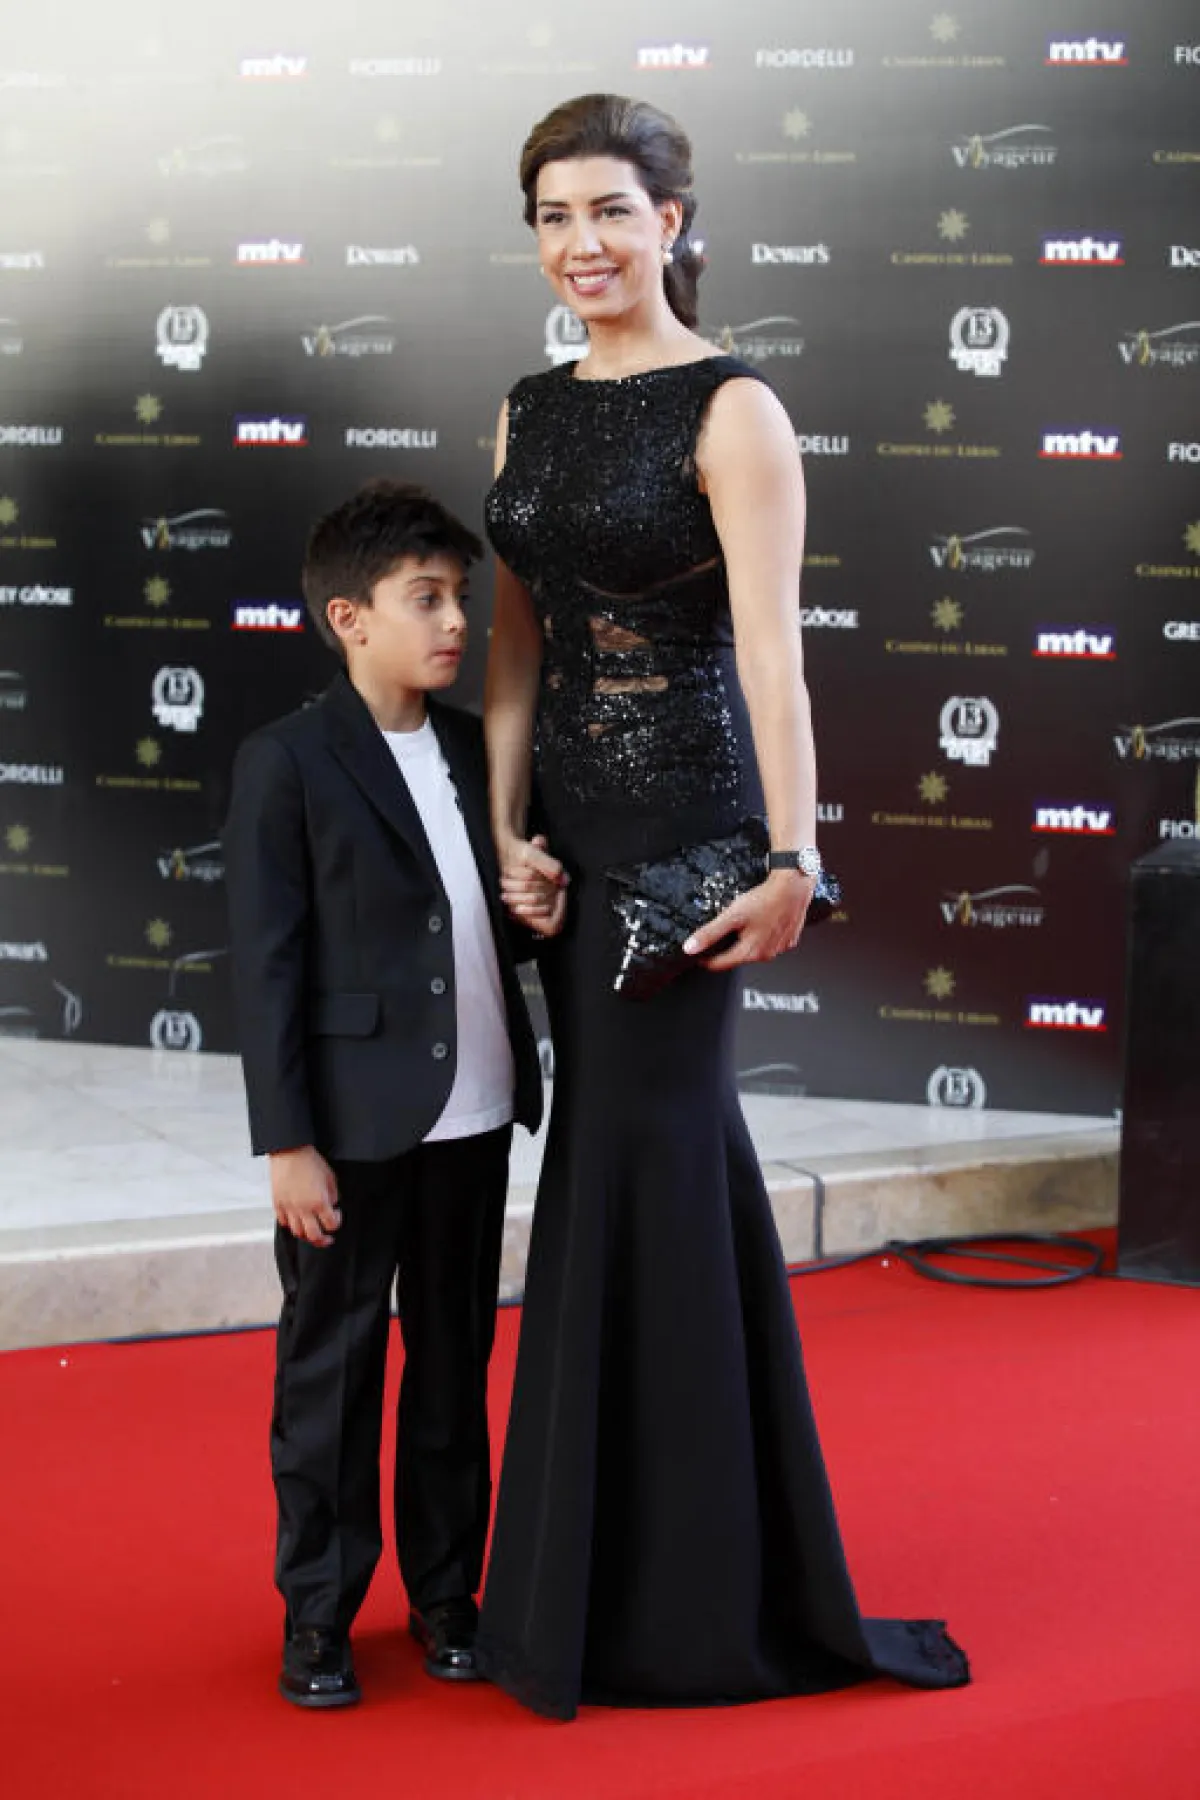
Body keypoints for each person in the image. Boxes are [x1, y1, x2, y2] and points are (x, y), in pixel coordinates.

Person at [477, 94, 970, 1720]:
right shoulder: (526, 413)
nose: (583, 243)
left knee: (651, 1160)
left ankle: (679, 1604)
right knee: (618, 1161)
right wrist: (506, 830)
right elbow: (520, 648)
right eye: (555, 215)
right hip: (571, 835)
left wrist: (794, 859)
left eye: (612, 210)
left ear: (673, 221)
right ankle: (605, 1577)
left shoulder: (734, 408)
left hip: (690, 839)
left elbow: (773, 657)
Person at [223, 480, 562, 1709]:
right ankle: (318, 1616)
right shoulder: (287, 762)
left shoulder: (479, 751)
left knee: (454, 1367)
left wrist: (539, 907)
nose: (456, 621)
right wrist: (287, 1142)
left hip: (475, 1115)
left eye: (460, 597)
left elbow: (482, 920)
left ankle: (448, 1597)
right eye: (426, 598)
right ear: (349, 618)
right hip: (349, 1131)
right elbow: (267, 967)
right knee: (332, 1375)